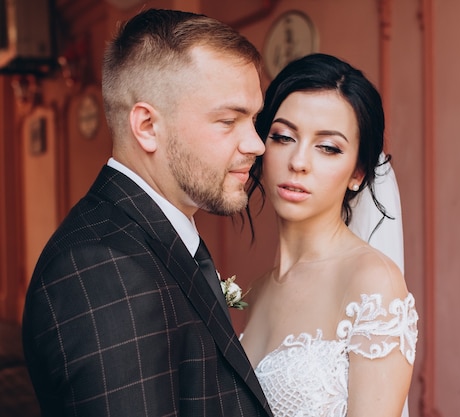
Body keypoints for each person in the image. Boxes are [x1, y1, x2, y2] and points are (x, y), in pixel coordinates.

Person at [22, 9, 273, 417]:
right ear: (147, 126)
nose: (256, 144)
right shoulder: (103, 269)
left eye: (254, 119)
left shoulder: (151, 237)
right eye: (228, 121)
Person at [240, 53, 419, 417]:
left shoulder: (372, 283)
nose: (299, 161)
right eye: (283, 137)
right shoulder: (256, 291)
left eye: (328, 147)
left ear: (357, 174)